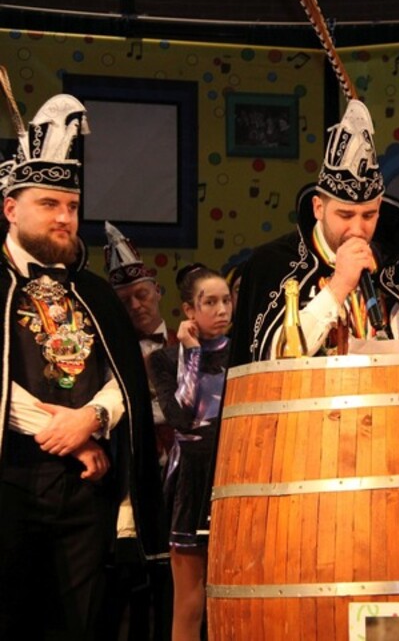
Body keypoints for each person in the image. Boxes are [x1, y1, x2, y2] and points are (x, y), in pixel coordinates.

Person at [0, 90, 161, 639]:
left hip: (87, 493)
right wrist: (65, 434)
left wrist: (92, 420)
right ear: (11, 209)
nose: (65, 218)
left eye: (71, 206)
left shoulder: (94, 291)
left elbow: (126, 378)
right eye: (49, 204)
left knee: (83, 626)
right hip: (11, 481)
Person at [230, 98, 399, 366]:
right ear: (318, 207)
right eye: (345, 215)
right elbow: (276, 360)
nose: (357, 229)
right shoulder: (273, 263)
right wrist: (339, 286)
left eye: (368, 215)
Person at [149, 264, 232, 641]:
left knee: (235, 595)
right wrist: (193, 354)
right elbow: (181, 416)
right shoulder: (165, 360)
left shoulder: (244, 354)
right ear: (188, 310)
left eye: (226, 300)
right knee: (190, 601)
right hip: (191, 482)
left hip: (234, 475)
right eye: (210, 302)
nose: (222, 310)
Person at [103, 220, 176, 641]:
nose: (136, 306)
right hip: (133, 479)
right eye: (125, 301)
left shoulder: (188, 347)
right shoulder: (111, 357)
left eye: (142, 295)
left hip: (181, 481)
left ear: (158, 293)